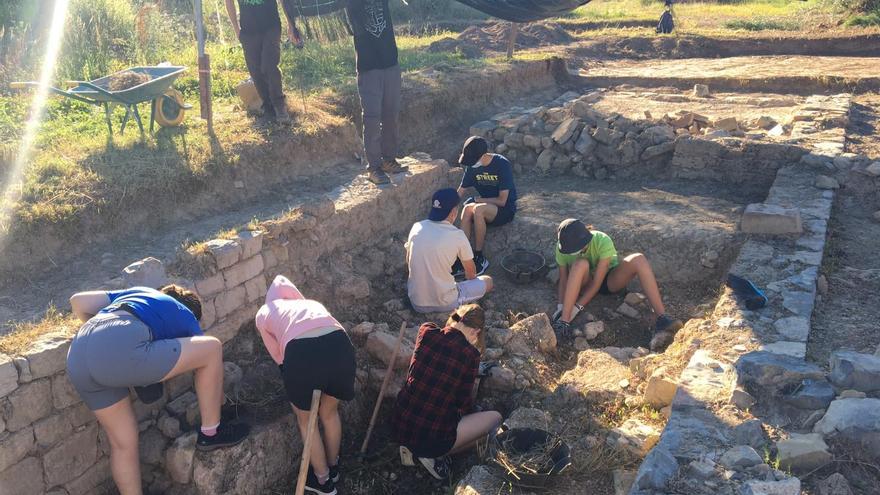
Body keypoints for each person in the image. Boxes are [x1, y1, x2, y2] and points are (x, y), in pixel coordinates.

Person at [66, 285, 249, 495]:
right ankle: (211, 434)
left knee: (123, 444)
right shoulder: (185, 314)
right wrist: (224, 405)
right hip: (121, 347)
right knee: (213, 348)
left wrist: (103, 345)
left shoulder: (138, 293)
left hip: (78, 355)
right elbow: (208, 366)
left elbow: (77, 301)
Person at [255, 274, 356, 495]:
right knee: (329, 413)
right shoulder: (310, 303)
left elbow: (279, 357)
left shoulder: (264, 313)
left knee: (305, 420)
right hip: (341, 346)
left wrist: (297, 382)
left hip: (302, 354)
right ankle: (334, 467)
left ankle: (323, 482)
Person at [392, 304, 502, 480]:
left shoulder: (426, 331)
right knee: (495, 418)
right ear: (476, 331)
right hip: (431, 437)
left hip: (401, 425)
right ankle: (433, 456)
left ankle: (415, 452)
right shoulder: (470, 355)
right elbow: (462, 404)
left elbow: (453, 322)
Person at [551, 218, 683, 351]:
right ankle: (564, 323)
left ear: (586, 239)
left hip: (607, 282)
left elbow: (597, 284)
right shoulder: (563, 248)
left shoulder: (602, 240)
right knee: (580, 263)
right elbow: (564, 280)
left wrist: (577, 307)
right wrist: (562, 307)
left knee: (638, 259)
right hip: (582, 283)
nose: (573, 252)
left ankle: (662, 318)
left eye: (577, 248)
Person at [346, 0, 407, 185]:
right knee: (372, 119)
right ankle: (373, 167)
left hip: (390, 63)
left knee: (391, 115)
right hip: (368, 67)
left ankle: (389, 160)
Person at [406, 188, 494, 314]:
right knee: (488, 281)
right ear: (454, 211)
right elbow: (471, 274)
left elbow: (409, 261)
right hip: (446, 303)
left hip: (416, 302)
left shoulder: (417, 227)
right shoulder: (457, 235)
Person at [455, 136, 518, 275]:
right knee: (466, 209)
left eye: (473, 161)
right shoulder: (472, 166)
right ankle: (462, 258)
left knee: (478, 209)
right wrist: (446, 210)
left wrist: (479, 200)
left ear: (483, 155)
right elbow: (460, 191)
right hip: (485, 205)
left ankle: (479, 257)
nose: (470, 164)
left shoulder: (502, 164)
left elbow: (502, 201)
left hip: (504, 210)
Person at [225, 0, 293, 124]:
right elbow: (229, 2)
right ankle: (268, 108)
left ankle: (279, 106)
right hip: (248, 31)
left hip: (271, 27)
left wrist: (290, 23)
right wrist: (236, 29)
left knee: (269, 66)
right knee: (255, 71)